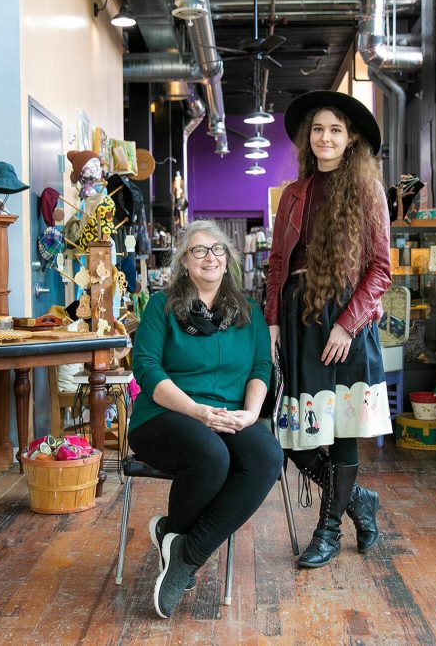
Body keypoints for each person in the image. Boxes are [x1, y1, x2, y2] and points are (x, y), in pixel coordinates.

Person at [129, 219, 282, 619]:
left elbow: (260, 368)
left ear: (228, 258)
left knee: (267, 456)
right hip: (164, 414)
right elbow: (145, 368)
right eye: (199, 250)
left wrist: (250, 415)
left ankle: (184, 551)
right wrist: (196, 411)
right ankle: (176, 539)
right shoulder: (161, 306)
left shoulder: (248, 312)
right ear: (184, 261)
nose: (209, 257)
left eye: (217, 249)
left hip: (226, 413)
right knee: (212, 455)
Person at [266, 91, 393, 568]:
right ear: (308, 138)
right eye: (318, 129)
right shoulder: (294, 194)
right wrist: (273, 322)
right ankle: (359, 499)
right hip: (299, 319)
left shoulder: (366, 190)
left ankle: (328, 528)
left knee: (341, 431)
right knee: (293, 433)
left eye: (335, 129)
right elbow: (278, 264)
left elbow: (381, 269)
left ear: (351, 137)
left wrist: (347, 324)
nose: (325, 137)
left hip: (347, 320)